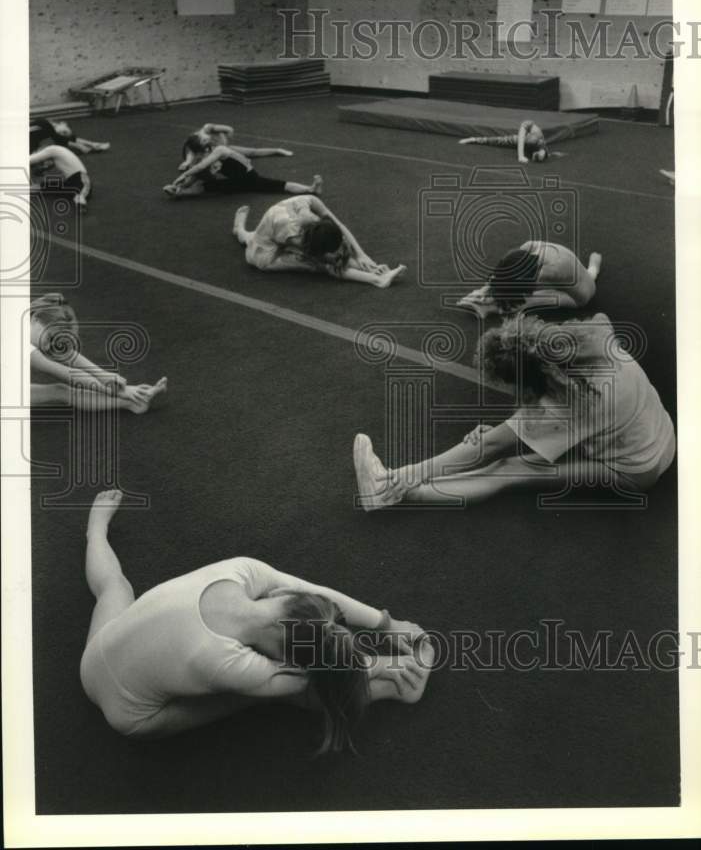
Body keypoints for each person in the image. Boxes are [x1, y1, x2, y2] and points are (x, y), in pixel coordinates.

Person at [80, 489, 436, 748]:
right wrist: (378, 665)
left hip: (93, 655)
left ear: (283, 596)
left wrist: (385, 623)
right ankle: (402, 686)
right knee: (273, 696)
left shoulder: (242, 570)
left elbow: (315, 592)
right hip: (132, 716)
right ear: (282, 658)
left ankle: (95, 530)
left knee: (114, 587)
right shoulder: (227, 663)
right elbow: (320, 676)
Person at [353, 312, 675, 510]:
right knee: (512, 452)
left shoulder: (569, 404)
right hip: (661, 435)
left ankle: (392, 491)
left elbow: (489, 448)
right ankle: (398, 487)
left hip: (635, 470)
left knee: (509, 470)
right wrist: (511, 429)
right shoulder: (595, 338)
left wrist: (412, 473)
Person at [29, 294, 167, 413]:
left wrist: (104, 375)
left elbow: (69, 356)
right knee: (59, 390)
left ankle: (134, 402)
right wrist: (120, 391)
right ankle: (131, 400)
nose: (49, 346)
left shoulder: (34, 325)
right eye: (49, 338)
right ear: (36, 320)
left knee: (60, 390)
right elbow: (68, 373)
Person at [233, 195, 406, 288]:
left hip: (268, 235)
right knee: (325, 266)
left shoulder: (309, 200)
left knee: (250, 238)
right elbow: (329, 260)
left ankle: (239, 229)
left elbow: (338, 226)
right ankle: (377, 280)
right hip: (265, 256)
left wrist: (363, 256)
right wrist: (376, 272)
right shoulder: (291, 233)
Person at [457, 242, 603, 317]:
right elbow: (505, 268)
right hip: (576, 277)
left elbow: (518, 295)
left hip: (580, 298)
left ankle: (491, 309)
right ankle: (593, 268)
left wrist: (488, 298)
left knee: (527, 301)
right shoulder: (530, 246)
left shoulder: (550, 272)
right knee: (590, 274)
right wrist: (484, 289)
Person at [164, 141, 317, 199]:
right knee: (277, 185)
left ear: (205, 150)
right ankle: (178, 191)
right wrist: (180, 183)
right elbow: (198, 173)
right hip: (239, 181)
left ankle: (310, 189)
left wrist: (183, 174)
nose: (198, 157)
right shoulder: (209, 156)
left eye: (198, 154)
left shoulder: (220, 150)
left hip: (248, 177)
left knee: (277, 185)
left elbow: (201, 167)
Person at [458, 120, 559, 163]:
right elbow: (521, 138)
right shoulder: (532, 134)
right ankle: (473, 139)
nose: (537, 156)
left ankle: (474, 139)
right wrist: (520, 156)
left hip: (532, 141)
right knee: (499, 141)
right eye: (538, 156)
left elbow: (544, 153)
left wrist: (543, 155)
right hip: (527, 133)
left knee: (502, 141)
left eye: (537, 156)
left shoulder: (542, 146)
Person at [29, 144, 92, 209]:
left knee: (81, 191)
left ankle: (80, 202)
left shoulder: (51, 150)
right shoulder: (58, 153)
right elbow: (46, 165)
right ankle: (80, 202)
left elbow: (31, 159)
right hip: (72, 181)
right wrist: (40, 169)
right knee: (48, 185)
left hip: (80, 178)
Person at [30, 117, 110, 155]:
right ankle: (93, 145)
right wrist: (82, 147)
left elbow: (63, 138)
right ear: (62, 123)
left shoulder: (49, 130)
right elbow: (60, 139)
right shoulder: (43, 123)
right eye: (64, 131)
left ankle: (94, 144)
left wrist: (89, 145)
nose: (62, 133)